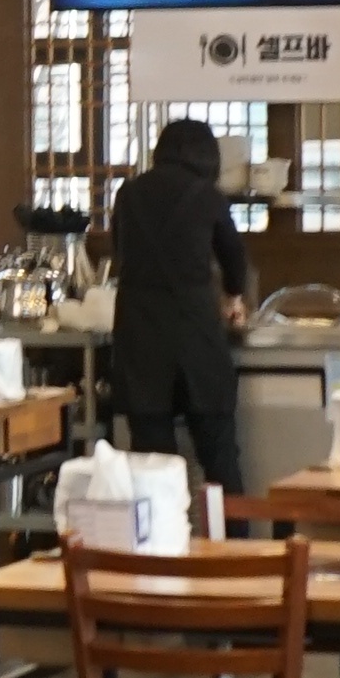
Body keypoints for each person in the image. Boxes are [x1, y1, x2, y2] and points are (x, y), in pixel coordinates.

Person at [102, 118, 247, 493]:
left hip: (141, 341)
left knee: (152, 469)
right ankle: (231, 532)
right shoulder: (207, 196)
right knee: (219, 463)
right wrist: (233, 297)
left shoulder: (128, 195)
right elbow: (234, 256)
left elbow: (120, 251)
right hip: (196, 339)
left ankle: (161, 532)